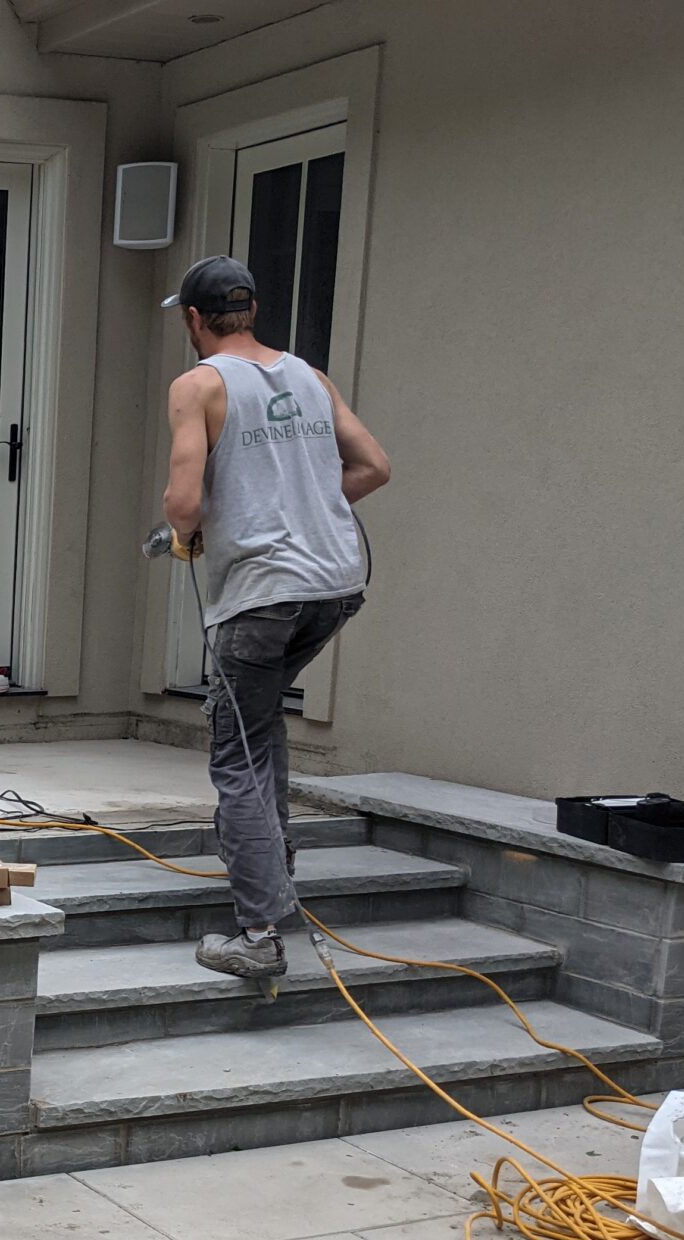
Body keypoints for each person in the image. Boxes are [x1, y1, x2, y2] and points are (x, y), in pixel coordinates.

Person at [160, 254, 391, 979]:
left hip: (262, 596)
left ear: (195, 319)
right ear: (251, 311)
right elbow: (374, 467)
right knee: (259, 729)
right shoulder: (310, 377)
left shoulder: (197, 385)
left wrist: (187, 536)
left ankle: (259, 934)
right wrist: (306, 513)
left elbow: (185, 503)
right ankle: (273, 865)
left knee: (237, 755)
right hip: (335, 585)